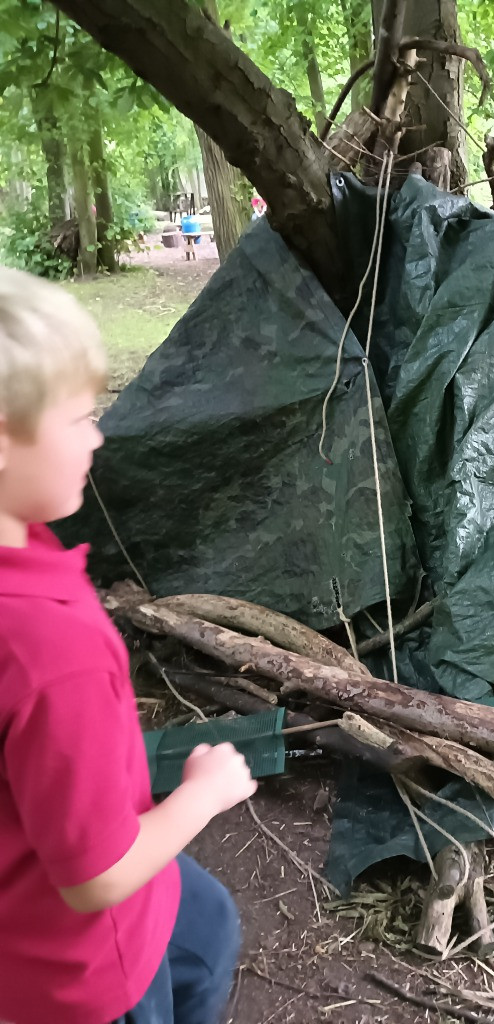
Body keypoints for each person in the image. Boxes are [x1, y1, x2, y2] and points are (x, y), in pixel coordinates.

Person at [0, 267, 258, 1024]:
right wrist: (202, 795)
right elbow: (98, 875)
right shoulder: (46, 644)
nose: (100, 434)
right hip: (85, 968)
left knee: (206, 926)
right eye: (80, 418)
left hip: (33, 910)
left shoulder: (29, 558)